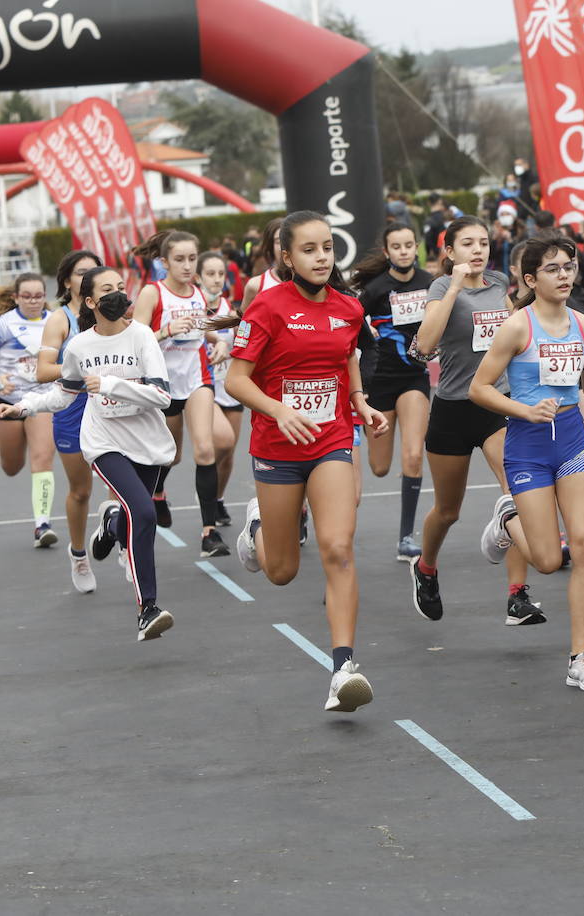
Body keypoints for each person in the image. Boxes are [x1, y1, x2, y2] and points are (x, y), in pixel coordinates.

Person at [223, 210, 388, 712]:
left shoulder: (348, 308)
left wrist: (359, 401)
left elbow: (346, 358)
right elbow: (236, 379)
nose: (321, 258)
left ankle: (343, 670)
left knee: (338, 546)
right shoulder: (268, 307)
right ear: (286, 255)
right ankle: (255, 532)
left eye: (327, 249)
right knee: (281, 572)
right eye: (309, 249)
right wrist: (278, 409)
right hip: (276, 446)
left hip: (331, 439)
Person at [469, 236, 584, 691]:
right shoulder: (517, 328)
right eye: (553, 269)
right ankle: (508, 519)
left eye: (569, 267)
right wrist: (524, 409)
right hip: (527, 447)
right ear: (531, 279)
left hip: (572, 444)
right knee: (544, 559)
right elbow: (479, 388)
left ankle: (581, 657)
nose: (564, 275)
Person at [0, 267, 177, 642]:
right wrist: (24, 407)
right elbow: (65, 393)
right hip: (104, 441)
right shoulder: (79, 346)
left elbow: (163, 396)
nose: (117, 294)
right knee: (144, 512)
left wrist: (112, 384)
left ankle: (111, 524)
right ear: (90, 301)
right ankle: (148, 610)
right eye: (106, 290)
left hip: (147, 442)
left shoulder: (141, 337)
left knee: (130, 523)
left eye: (120, 288)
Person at [407, 216, 542, 625]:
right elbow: (426, 345)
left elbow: (517, 333)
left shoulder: (500, 285)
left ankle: (518, 596)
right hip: (452, 407)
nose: (478, 250)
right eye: (467, 244)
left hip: (497, 403)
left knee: (518, 492)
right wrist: (452, 286)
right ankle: (425, 567)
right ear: (449, 252)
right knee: (447, 511)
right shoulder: (438, 288)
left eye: (483, 242)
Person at [132, 230, 235, 559]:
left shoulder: (198, 295)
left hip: (196, 379)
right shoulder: (152, 293)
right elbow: (134, 342)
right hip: (162, 385)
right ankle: (158, 493)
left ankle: (209, 533)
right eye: (179, 259)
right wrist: (164, 331)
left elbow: (204, 328)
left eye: (192, 259)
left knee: (205, 449)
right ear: (164, 262)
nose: (188, 266)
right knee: (171, 455)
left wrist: (218, 342)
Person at [352, 222, 434, 560]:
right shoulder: (374, 289)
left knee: (413, 455)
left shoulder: (431, 283)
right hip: (379, 383)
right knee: (380, 467)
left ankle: (405, 538)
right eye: (396, 247)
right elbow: (351, 327)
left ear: (416, 248)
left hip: (414, 378)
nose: (403, 251)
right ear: (387, 252)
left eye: (408, 245)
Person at [0, 273, 59, 548]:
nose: (33, 301)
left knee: (42, 458)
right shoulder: (5, 324)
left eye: (38, 296)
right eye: (27, 296)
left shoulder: (55, 322)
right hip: (7, 400)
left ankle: (42, 525)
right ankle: (14, 455)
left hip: (42, 399)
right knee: (12, 466)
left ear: (45, 296)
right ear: (16, 298)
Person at [36, 249, 102, 593]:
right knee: (81, 491)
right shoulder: (60, 320)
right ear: (67, 281)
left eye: (94, 271)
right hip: (72, 411)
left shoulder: (114, 313)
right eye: (81, 273)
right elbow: (43, 370)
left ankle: (118, 533)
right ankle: (78, 554)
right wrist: (79, 368)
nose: (88, 278)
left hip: (110, 410)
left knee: (128, 483)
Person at [197, 251, 245, 529]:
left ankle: (217, 498)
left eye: (220, 274)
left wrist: (232, 346)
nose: (216, 280)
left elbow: (243, 346)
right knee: (219, 444)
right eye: (210, 274)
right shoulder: (193, 308)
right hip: (205, 389)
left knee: (228, 454)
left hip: (230, 389)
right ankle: (207, 496)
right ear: (199, 277)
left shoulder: (232, 310)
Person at [239, 217, 285, 311]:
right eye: (278, 241)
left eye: (289, 240)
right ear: (269, 246)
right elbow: (243, 321)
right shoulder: (255, 285)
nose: (284, 246)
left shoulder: (312, 283)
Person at [424, 194, 449, 260]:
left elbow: (428, 239)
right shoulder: (445, 217)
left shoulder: (430, 220)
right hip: (445, 251)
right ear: (440, 201)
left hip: (437, 254)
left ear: (428, 203)